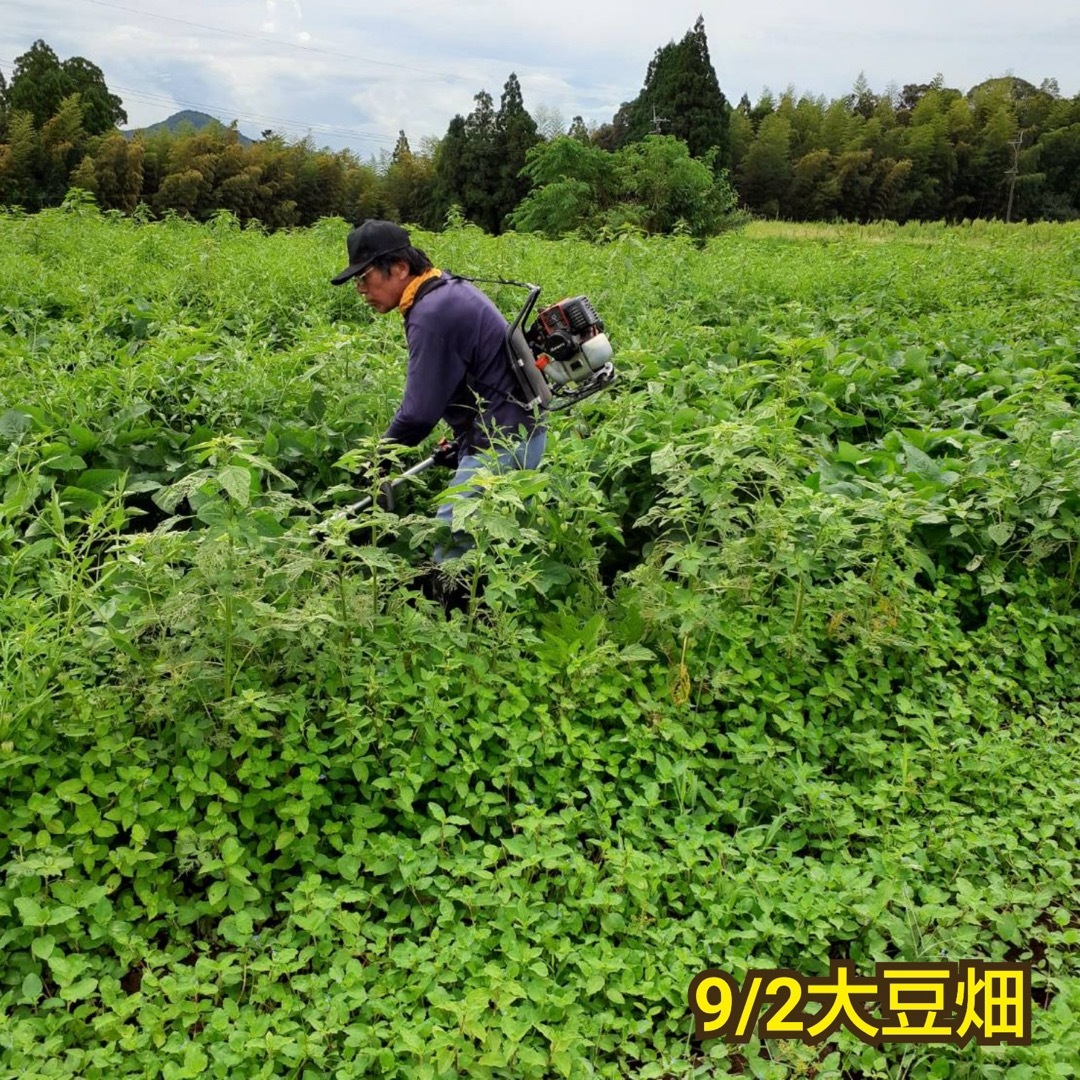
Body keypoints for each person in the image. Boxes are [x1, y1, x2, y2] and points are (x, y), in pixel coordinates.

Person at [330, 219, 546, 578]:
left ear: (399, 268)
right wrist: (462, 441)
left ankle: (460, 626)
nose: (361, 290)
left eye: (365, 278)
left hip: (504, 442)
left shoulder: (431, 312)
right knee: (484, 546)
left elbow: (418, 414)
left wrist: (378, 458)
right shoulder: (445, 290)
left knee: (451, 541)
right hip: (519, 432)